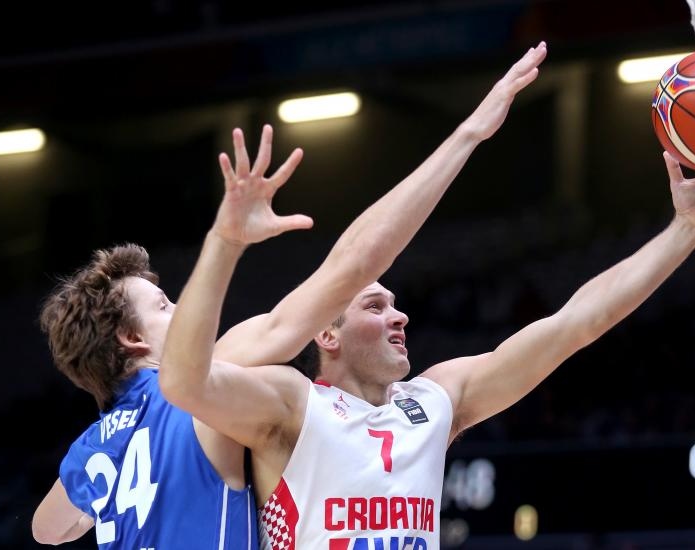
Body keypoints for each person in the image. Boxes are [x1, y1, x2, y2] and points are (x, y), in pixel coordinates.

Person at [158, 66, 695, 550]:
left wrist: (689, 229)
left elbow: (577, 324)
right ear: (328, 335)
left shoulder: (437, 400)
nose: (400, 316)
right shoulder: (292, 404)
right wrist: (225, 242)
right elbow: (184, 383)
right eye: (375, 305)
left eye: (395, 305)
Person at [30, 41, 549, 550]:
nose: (183, 310)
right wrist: (468, 134)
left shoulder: (93, 450)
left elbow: (48, 529)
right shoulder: (206, 375)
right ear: (132, 339)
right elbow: (355, 267)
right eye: (165, 307)